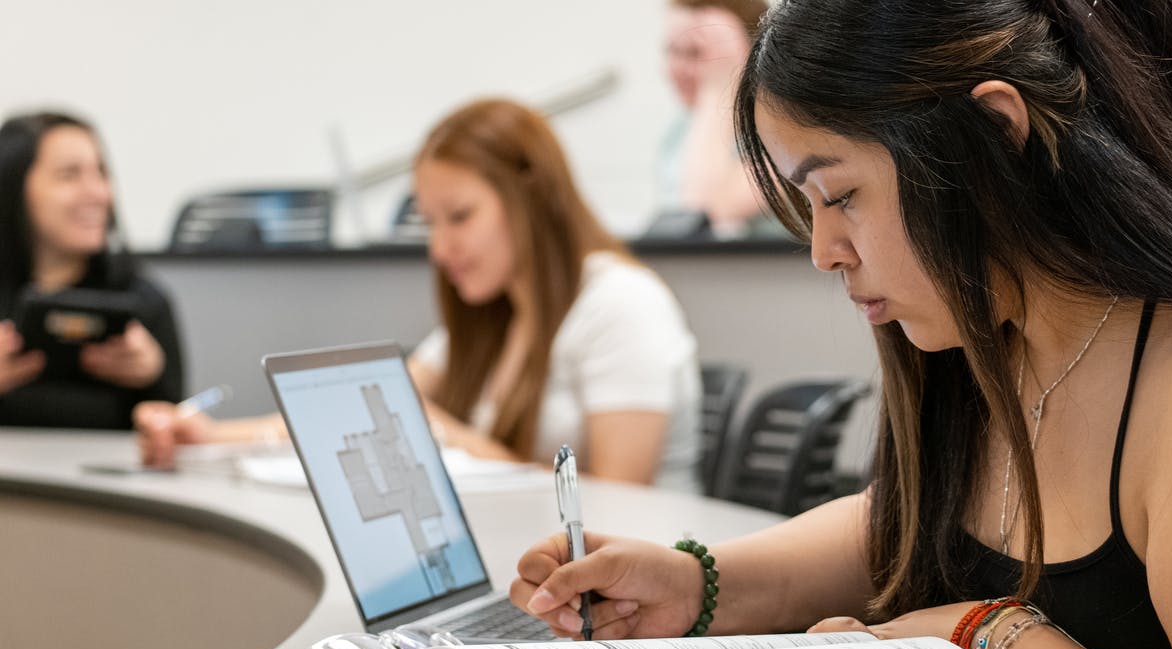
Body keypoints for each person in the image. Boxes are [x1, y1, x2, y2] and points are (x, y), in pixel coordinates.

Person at [512, 1, 1172, 649]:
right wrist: (697, 586)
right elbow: (911, 521)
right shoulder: (987, 337)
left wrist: (987, 636)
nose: (821, 250)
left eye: (838, 195)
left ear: (994, 136)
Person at [138, 99, 702, 491]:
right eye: (430, 223)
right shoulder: (495, 316)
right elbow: (358, 410)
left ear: (533, 196)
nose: (441, 248)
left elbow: (617, 502)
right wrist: (210, 437)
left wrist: (454, 440)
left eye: (459, 217)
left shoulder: (622, 303)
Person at [0, 111, 183, 428]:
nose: (97, 193)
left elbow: (175, 426)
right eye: (69, 175)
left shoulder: (141, 301)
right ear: (14, 185)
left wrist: (153, 375)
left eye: (100, 173)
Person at [655, 0, 775, 238]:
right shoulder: (680, 129)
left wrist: (719, 88)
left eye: (695, 52)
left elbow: (700, 216)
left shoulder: (783, 132)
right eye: (672, 50)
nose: (677, 68)